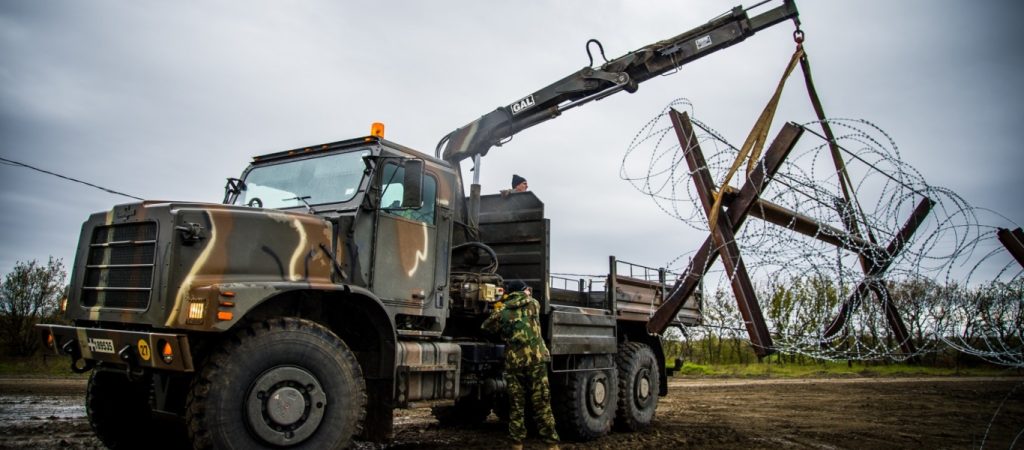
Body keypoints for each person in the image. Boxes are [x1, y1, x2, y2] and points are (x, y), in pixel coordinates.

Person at [481, 280, 559, 450]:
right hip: (537, 361)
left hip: (514, 363)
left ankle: (517, 443)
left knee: (516, 404)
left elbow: (486, 326)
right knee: (542, 403)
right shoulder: (534, 304)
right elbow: (528, 299)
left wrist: (499, 309)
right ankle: (551, 444)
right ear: (524, 291)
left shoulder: (502, 311)